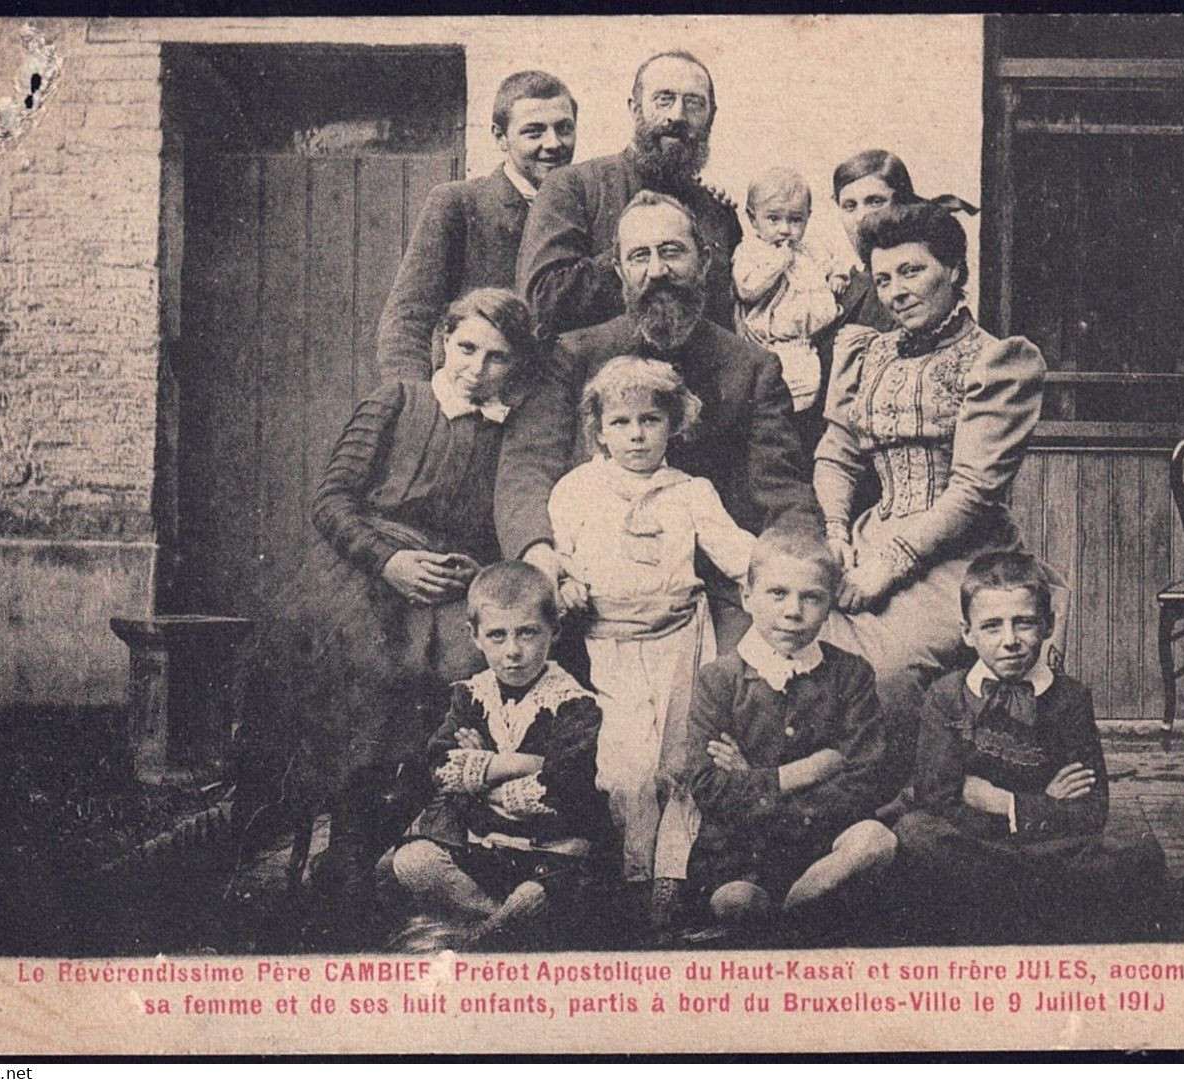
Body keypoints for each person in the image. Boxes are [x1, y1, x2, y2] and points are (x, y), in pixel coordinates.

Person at [254, 288, 542, 888]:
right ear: (443, 340)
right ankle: (328, 834)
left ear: (515, 367)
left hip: (449, 588)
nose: (476, 368)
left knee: (464, 671)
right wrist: (389, 561)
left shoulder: (507, 433)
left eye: (497, 358)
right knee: (367, 664)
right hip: (363, 575)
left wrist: (475, 569)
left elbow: (504, 521)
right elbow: (331, 501)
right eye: (466, 348)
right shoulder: (400, 400)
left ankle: (406, 840)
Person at [497, 190, 819, 651]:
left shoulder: (750, 367)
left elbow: (783, 490)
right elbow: (527, 469)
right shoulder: (573, 355)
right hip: (588, 590)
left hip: (716, 590)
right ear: (621, 271)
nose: (657, 272)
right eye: (640, 257)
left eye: (672, 252)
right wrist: (542, 557)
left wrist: (796, 572)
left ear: (704, 262)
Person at [858, 552, 1165, 942]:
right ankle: (1028, 906)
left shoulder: (1070, 699)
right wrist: (1044, 803)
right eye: (992, 626)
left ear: (1048, 625)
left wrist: (1004, 803)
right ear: (967, 633)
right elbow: (937, 796)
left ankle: (1009, 906)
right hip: (976, 843)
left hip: (1045, 844)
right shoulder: (947, 696)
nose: (1010, 641)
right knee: (917, 834)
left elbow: (1091, 807)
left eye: (1024, 623)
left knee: (1137, 851)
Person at [815, 199, 1059, 689]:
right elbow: (836, 454)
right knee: (801, 645)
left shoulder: (998, 361)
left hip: (963, 558)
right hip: (867, 542)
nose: (896, 293)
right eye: (883, 280)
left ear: (954, 270)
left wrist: (888, 567)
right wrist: (838, 533)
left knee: (885, 673)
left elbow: (971, 492)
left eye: (911, 272)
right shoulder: (868, 353)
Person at [548, 357, 755, 918]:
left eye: (650, 420)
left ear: (674, 424)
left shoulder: (690, 492)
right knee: (625, 765)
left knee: (683, 758)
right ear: (598, 429)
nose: (636, 434)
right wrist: (563, 583)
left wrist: (783, 569)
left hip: (681, 638)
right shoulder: (577, 490)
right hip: (609, 645)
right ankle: (634, 873)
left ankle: (671, 879)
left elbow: (737, 553)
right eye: (620, 422)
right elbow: (560, 558)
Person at [377, 561, 606, 946]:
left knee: (537, 894)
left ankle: (483, 934)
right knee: (412, 861)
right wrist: (522, 763)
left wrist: (480, 771)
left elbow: (560, 788)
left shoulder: (573, 704)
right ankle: (497, 921)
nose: (513, 651)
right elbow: (441, 765)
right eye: (497, 636)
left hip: (549, 853)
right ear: (475, 636)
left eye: (528, 633)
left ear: (555, 631)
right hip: (485, 849)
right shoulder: (471, 695)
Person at [681, 525, 896, 928]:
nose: (793, 611)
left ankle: (794, 911)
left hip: (823, 843)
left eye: (811, 597)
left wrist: (753, 780)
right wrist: (805, 771)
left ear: (830, 602)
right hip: (739, 853)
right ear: (748, 596)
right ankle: (794, 919)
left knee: (874, 841)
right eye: (777, 593)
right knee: (737, 902)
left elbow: (866, 776)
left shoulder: (850, 674)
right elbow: (708, 785)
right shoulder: (719, 679)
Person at [515, 50, 741, 337]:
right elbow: (540, 305)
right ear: (635, 109)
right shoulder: (573, 186)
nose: (678, 115)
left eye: (694, 103)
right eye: (664, 100)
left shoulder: (718, 211)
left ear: (711, 117)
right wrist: (638, 254)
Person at [376, 72, 577, 381]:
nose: (553, 144)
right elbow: (407, 321)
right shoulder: (458, 203)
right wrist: (418, 406)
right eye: (534, 132)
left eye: (563, 129)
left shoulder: (584, 208)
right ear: (500, 137)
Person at [732, 167, 845, 456]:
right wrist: (778, 263)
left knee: (810, 406)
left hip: (807, 345)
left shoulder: (806, 249)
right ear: (752, 218)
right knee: (776, 406)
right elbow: (747, 289)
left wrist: (836, 277)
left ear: (808, 217)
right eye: (774, 219)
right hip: (772, 346)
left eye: (795, 220)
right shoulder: (752, 251)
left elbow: (831, 263)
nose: (785, 229)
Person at [826, 149, 981, 335]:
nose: (861, 217)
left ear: (904, 202)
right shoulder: (842, 284)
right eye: (849, 206)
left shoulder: (923, 287)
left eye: (875, 201)